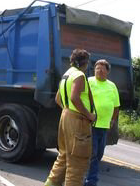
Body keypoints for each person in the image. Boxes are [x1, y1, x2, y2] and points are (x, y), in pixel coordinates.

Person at [45, 48, 96, 186]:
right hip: (78, 121)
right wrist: (88, 115)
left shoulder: (66, 75)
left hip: (65, 116)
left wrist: (68, 111)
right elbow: (74, 97)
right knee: (77, 162)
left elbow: (57, 99)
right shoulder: (79, 75)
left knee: (63, 156)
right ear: (85, 62)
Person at [84, 59, 120, 186]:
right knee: (92, 154)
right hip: (90, 124)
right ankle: (90, 181)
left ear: (107, 72)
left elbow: (116, 106)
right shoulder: (88, 81)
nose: (99, 71)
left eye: (102, 69)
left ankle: (86, 177)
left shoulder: (112, 86)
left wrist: (113, 120)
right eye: (96, 68)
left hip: (104, 126)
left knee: (99, 154)